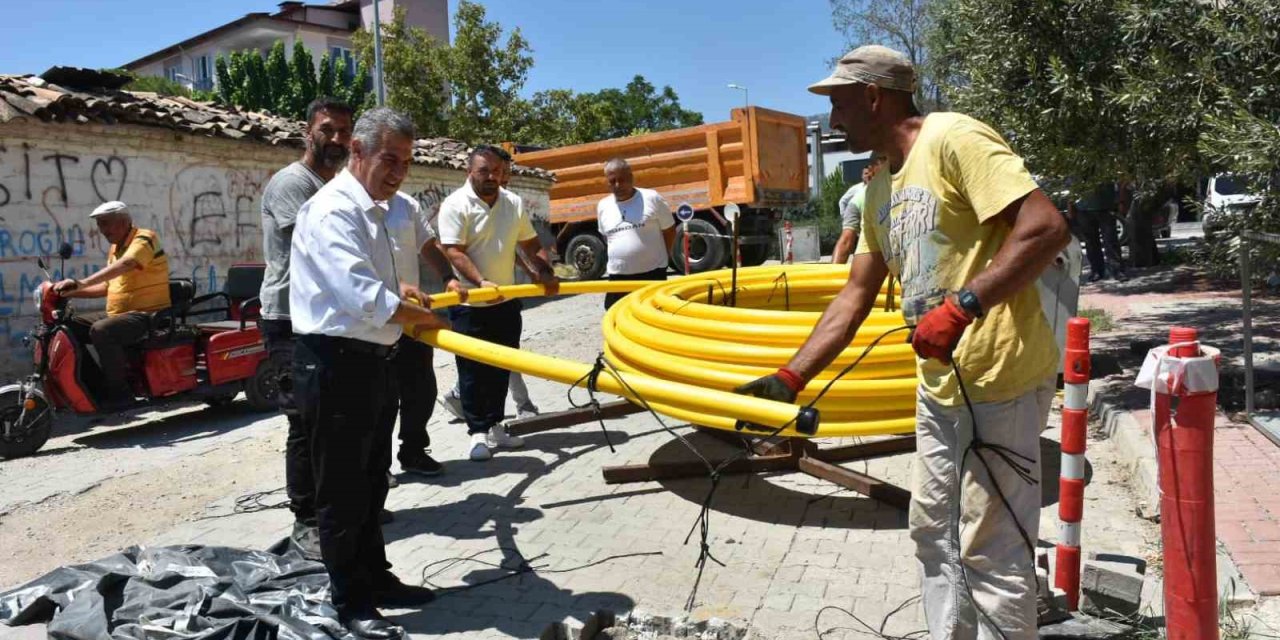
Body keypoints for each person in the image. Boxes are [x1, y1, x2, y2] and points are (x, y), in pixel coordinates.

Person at [737, 46, 1070, 639]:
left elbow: (1045, 226)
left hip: (1002, 379)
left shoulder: (954, 140)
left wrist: (965, 304)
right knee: (932, 532)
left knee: (989, 546)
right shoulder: (877, 191)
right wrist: (790, 378)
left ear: (874, 96)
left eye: (839, 104)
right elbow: (854, 295)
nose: (834, 122)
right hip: (940, 391)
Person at [289, 107, 445, 639]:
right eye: (390, 159)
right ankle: (350, 602)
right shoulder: (333, 210)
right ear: (357, 150)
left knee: (372, 480)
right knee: (342, 489)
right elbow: (357, 295)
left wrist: (402, 294)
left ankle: (376, 579)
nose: (400, 172)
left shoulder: (373, 209)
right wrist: (420, 317)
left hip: (372, 361)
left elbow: (374, 283)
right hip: (335, 364)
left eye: (406, 162)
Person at [258, 97, 353, 560]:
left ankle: (336, 508)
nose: (336, 139)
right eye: (328, 130)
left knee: (331, 418)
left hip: (321, 317)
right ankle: (308, 520)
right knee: (303, 421)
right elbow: (320, 246)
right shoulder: (292, 183)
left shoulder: (333, 184)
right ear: (308, 131)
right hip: (288, 318)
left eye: (343, 132)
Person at [438, 145, 559, 462]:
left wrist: (544, 271)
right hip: (469, 304)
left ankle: (495, 426)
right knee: (473, 371)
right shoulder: (455, 205)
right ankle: (477, 433)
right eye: (484, 171)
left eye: (497, 171)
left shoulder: (512, 202)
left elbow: (530, 243)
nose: (492, 176)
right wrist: (480, 283)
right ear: (470, 171)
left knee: (502, 366)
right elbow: (453, 251)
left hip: (505, 302)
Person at [386, 175, 469, 478]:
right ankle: (378, 467)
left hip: (411, 314)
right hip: (376, 316)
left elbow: (428, 244)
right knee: (381, 398)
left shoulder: (406, 205)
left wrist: (448, 275)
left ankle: (414, 451)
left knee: (421, 388)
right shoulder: (352, 207)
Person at [53, 201, 171, 406]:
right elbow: (107, 287)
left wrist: (82, 282)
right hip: (120, 315)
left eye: (106, 223)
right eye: (100, 225)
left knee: (102, 330)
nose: (103, 230)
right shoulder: (116, 248)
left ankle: (120, 393)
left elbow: (128, 264)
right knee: (67, 328)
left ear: (125, 221)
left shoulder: (145, 238)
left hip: (148, 315)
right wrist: (72, 293)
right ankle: (94, 387)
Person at [597, 157, 675, 309]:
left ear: (631, 178)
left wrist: (663, 258)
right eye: (613, 181)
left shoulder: (652, 198)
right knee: (616, 318)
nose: (618, 185)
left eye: (622, 179)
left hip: (652, 275)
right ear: (607, 182)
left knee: (655, 317)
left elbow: (669, 230)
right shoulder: (603, 206)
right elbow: (606, 237)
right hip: (618, 278)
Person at [1070, 181, 1127, 282]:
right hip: (1083, 209)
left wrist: (1120, 200)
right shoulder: (1075, 168)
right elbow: (1072, 186)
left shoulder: (1105, 166)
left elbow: (1120, 181)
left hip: (1106, 206)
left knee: (1111, 240)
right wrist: (1070, 205)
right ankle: (1096, 271)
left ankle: (1117, 270)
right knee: (1091, 243)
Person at [832, 159, 881, 265]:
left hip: (859, 207)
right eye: (866, 174)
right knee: (848, 240)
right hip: (858, 209)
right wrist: (844, 216)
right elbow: (842, 201)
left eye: (870, 174)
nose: (868, 176)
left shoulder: (884, 187)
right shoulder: (857, 192)